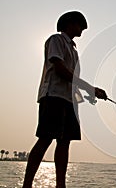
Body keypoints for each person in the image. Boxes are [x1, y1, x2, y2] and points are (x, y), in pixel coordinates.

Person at [22, 11, 107, 188]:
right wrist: (91, 88)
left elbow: (72, 80)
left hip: (69, 101)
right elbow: (60, 69)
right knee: (45, 138)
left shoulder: (74, 50)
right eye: (79, 25)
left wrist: (86, 95)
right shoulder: (56, 40)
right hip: (53, 96)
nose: (82, 28)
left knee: (65, 142)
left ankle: (61, 185)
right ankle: (27, 185)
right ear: (69, 23)